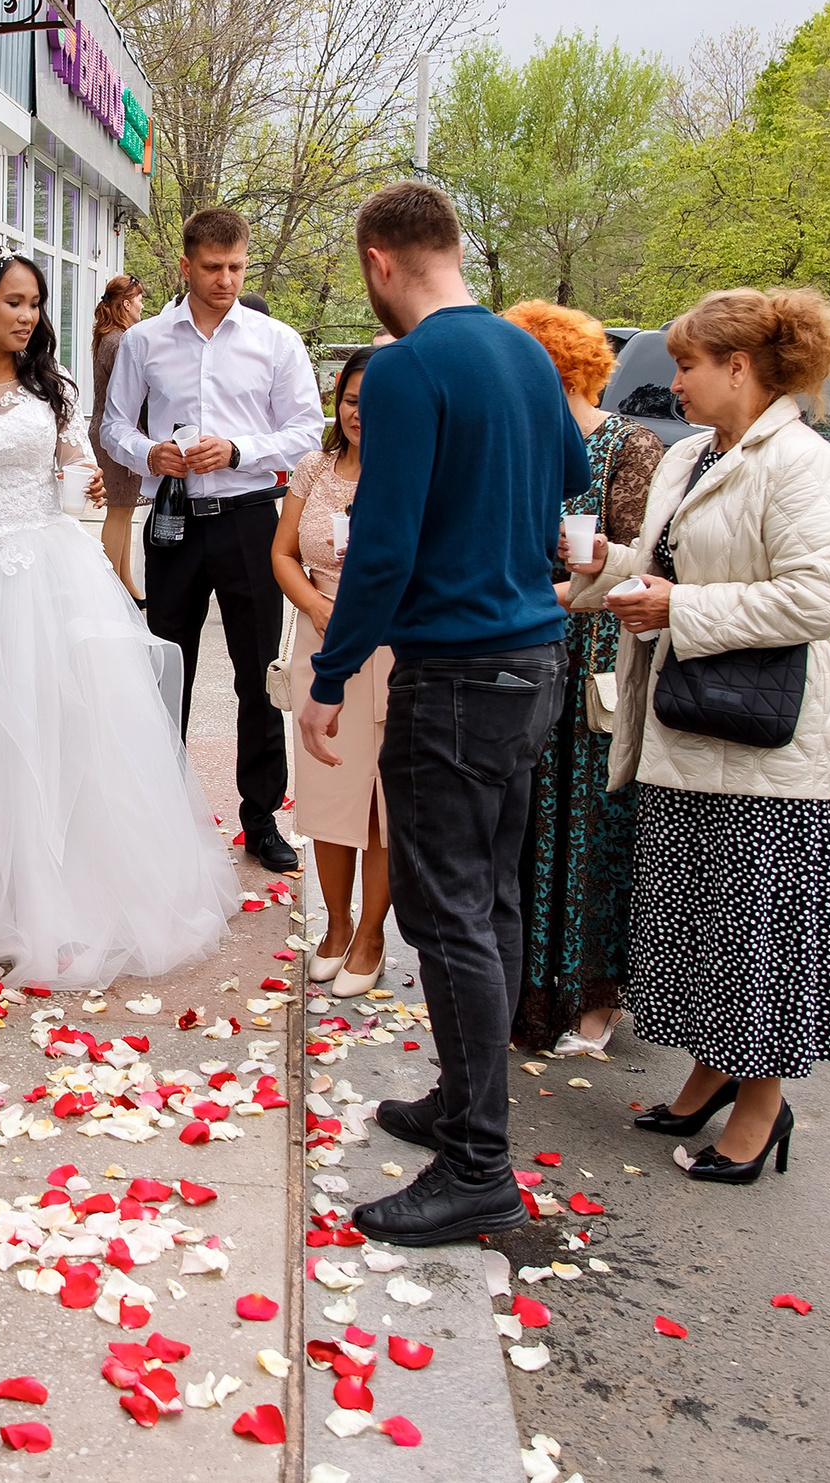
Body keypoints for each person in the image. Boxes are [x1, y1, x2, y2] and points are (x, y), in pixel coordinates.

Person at [300, 181, 587, 1248]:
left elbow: (384, 543)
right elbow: (565, 477)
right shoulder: (523, 354)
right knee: (490, 907)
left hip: (455, 674)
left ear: (379, 259)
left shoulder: (412, 366)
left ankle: (477, 1168)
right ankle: (464, 1109)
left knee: (447, 917)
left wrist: (328, 679)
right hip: (530, 664)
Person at [566, 288, 830, 1186]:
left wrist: (677, 607)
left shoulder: (801, 464)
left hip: (762, 737)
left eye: (689, 364)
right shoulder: (691, 454)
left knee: (750, 927)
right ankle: (707, 1076)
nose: (676, 380)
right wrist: (603, 569)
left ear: (740, 368)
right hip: (687, 719)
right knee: (694, 919)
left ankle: (762, 1107)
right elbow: (659, 570)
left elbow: (818, 597)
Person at [0, 248, 238, 986]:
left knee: (59, 724)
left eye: (35, 303)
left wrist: (97, 473)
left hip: (50, 567)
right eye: (14, 302)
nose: (27, 317)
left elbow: (79, 479)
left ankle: (57, 881)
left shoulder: (54, 388)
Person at [101, 208, 325, 873]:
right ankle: (160, 811)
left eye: (236, 267)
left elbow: (308, 431)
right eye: (212, 268)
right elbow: (114, 427)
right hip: (172, 520)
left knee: (260, 672)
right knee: (167, 665)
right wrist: (149, 454)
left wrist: (237, 449)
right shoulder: (143, 341)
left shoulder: (276, 340)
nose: (226, 279)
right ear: (185, 265)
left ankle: (261, 818)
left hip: (252, 517)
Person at [507, 301, 665, 1056]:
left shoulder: (628, 445)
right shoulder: (525, 443)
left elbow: (638, 560)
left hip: (598, 659)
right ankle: (528, 994)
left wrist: (551, 594)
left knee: (593, 830)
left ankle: (594, 1004)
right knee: (531, 826)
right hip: (528, 650)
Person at [273, 345, 392, 999]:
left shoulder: (409, 471)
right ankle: (336, 923)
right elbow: (283, 551)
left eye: (373, 404)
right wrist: (314, 601)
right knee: (326, 796)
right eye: (350, 400)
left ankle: (373, 932)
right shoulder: (314, 468)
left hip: (390, 646)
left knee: (378, 802)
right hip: (320, 642)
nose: (359, 414)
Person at [87, 274, 147, 599]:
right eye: (139, 298)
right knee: (119, 510)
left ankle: (125, 582)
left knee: (124, 509)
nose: (142, 304)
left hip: (110, 432)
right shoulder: (119, 341)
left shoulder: (111, 336)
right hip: (116, 436)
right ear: (126, 303)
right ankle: (111, 591)